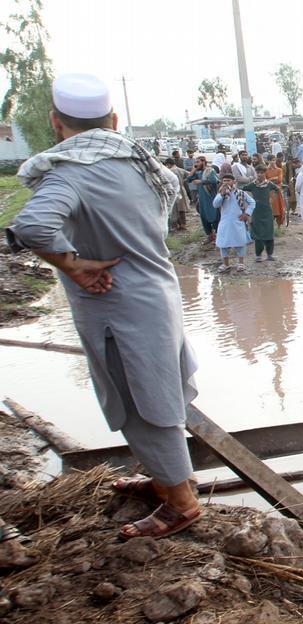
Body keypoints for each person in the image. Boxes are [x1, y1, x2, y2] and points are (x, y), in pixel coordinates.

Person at [6, 73, 203, 540]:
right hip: (159, 292)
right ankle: (164, 478)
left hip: (118, 305)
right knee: (158, 393)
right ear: (113, 120)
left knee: (143, 404)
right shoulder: (141, 162)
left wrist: (71, 264)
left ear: (55, 123)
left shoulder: (70, 172)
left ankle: (180, 503)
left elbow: (32, 226)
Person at [212, 172, 255, 272]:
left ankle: (241, 263)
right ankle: (225, 264)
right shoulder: (221, 194)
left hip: (238, 221)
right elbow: (215, 205)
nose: (226, 182)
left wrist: (247, 214)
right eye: (224, 181)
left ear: (234, 181)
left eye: (228, 181)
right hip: (225, 222)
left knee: (240, 243)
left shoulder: (240, 193)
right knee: (223, 244)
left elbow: (252, 202)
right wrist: (222, 194)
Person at [243, 165, 277, 262]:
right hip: (256, 212)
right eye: (258, 172)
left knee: (269, 234)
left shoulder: (269, 184)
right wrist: (247, 205)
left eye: (261, 172)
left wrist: (272, 199)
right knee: (258, 235)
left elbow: (277, 190)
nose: (259, 174)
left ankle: (270, 255)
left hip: (267, 212)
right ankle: (258, 256)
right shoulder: (252, 185)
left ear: (265, 173)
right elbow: (242, 190)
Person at [187, 156, 219, 242]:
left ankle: (218, 235)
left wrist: (201, 181)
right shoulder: (197, 173)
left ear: (204, 162)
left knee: (214, 216)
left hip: (211, 198)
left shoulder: (210, 171)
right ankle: (210, 235)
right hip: (202, 199)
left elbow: (214, 181)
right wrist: (193, 169)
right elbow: (188, 179)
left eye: (198, 162)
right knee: (204, 216)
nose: (196, 164)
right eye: (195, 162)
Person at [164, 157, 190, 231]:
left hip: (174, 190)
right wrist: (183, 181)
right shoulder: (180, 169)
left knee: (175, 209)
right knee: (182, 208)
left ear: (168, 164)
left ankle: (177, 225)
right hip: (181, 189)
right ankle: (183, 224)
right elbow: (189, 175)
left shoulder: (169, 171)